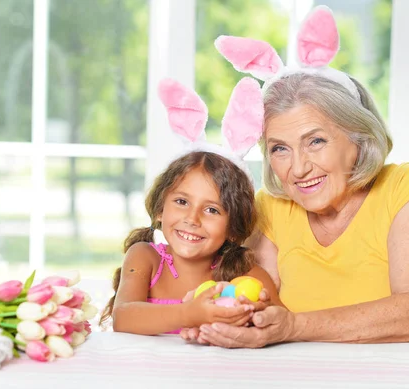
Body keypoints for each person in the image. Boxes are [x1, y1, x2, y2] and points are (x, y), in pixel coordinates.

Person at [181, 5, 409, 347]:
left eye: (316, 141)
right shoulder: (272, 207)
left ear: (358, 138)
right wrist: (216, 318)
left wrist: (293, 327)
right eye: (280, 148)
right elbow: (254, 303)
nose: (298, 168)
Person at [99, 77, 280, 335]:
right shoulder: (145, 257)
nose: (192, 219)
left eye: (212, 210)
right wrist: (191, 313)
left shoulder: (246, 273)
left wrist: (255, 315)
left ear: (233, 227)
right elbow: (124, 318)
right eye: (182, 202)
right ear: (160, 209)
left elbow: (282, 321)